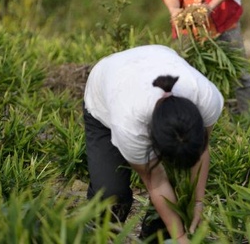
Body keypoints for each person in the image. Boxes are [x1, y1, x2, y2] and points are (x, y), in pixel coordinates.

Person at [83, 45, 224, 243]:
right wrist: (181, 236)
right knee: (111, 196)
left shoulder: (207, 99)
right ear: (152, 140)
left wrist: (197, 202)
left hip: (152, 59)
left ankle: (153, 238)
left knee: (176, 187)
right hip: (105, 95)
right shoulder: (130, 124)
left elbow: (201, 151)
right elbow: (155, 183)